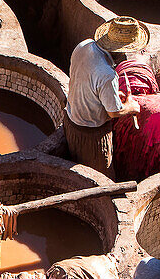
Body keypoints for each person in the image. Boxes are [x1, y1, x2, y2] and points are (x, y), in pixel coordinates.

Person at [64, 16, 149, 175]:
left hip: (71, 120)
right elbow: (113, 112)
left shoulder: (84, 45)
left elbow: (86, 81)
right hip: (91, 135)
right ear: (120, 49)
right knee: (100, 177)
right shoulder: (107, 75)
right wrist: (131, 107)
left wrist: (113, 94)